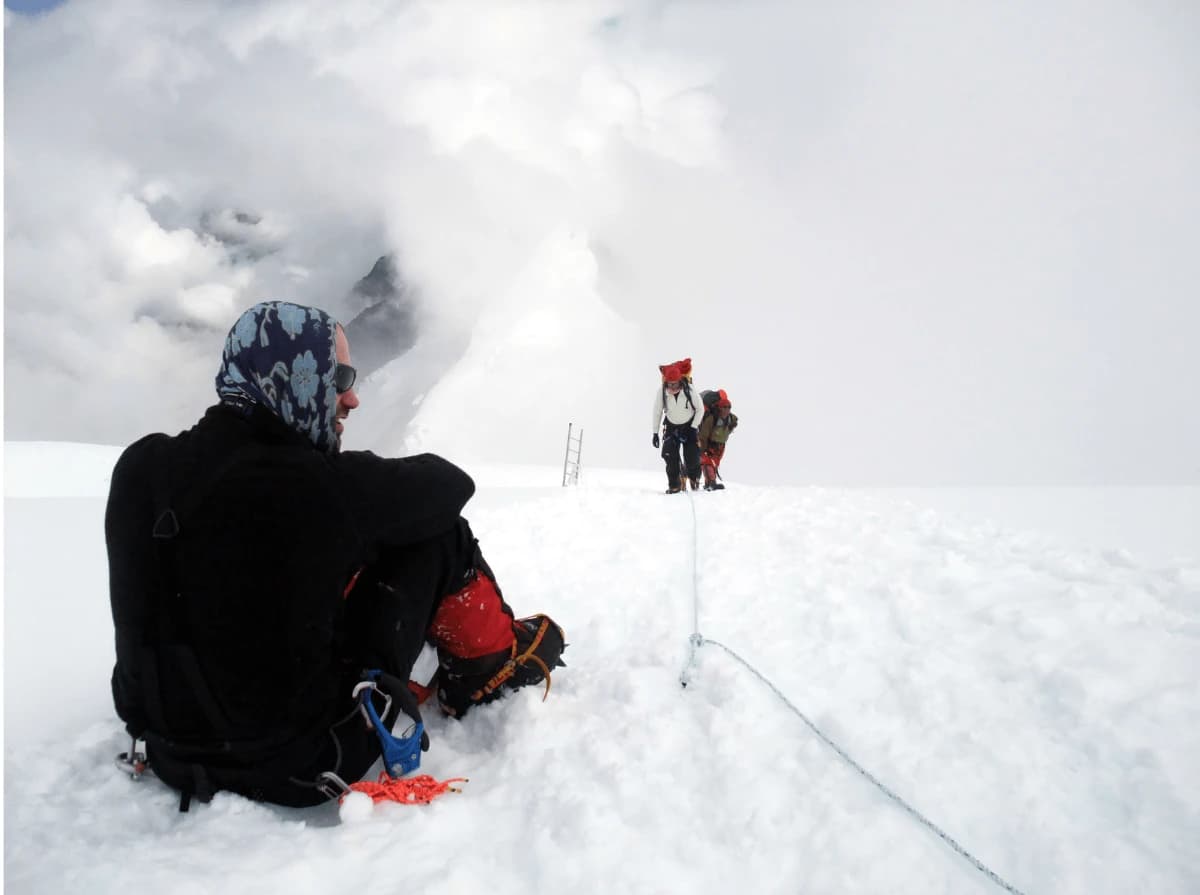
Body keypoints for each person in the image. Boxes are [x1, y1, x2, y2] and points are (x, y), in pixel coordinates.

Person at [106, 301, 566, 810]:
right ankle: (487, 670)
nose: (351, 398)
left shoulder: (140, 467)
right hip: (304, 765)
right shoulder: (317, 485)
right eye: (338, 377)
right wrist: (362, 480)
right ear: (294, 377)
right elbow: (450, 485)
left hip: (168, 750)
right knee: (440, 535)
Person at [651, 361, 704, 493]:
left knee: (692, 458)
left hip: (689, 427)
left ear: (680, 381)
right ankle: (674, 485)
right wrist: (655, 433)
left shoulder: (689, 390)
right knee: (669, 455)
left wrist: (693, 428)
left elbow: (700, 409)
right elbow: (657, 412)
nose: (672, 386)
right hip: (671, 427)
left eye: (675, 383)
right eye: (669, 383)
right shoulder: (662, 392)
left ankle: (694, 477)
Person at [698, 389, 738, 491]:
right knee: (708, 462)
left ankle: (709, 482)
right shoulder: (711, 419)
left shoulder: (731, 418)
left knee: (714, 463)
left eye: (728, 407)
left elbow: (734, 423)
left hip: (720, 445)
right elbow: (703, 435)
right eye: (724, 407)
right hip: (709, 444)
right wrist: (703, 448)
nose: (726, 410)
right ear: (719, 408)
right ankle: (711, 482)